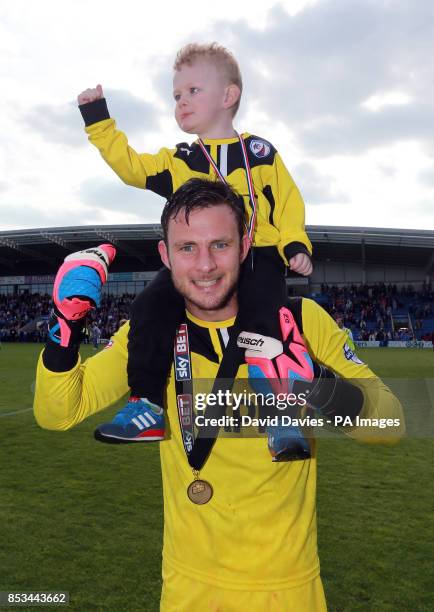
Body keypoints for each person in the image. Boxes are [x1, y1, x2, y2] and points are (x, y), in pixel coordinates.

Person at [34, 179, 404, 611]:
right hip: (187, 587)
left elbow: (391, 423)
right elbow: (59, 412)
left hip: (285, 589)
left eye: (220, 244)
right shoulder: (150, 335)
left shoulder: (300, 322)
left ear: (245, 245)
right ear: (165, 255)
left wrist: (314, 381)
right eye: (187, 247)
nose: (205, 265)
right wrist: (65, 330)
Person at [77, 42, 313, 450]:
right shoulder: (179, 159)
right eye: (176, 96)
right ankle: (147, 403)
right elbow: (131, 167)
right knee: (149, 307)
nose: (181, 103)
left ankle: (279, 415)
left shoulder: (259, 152)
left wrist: (294, 243)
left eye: (192, 91)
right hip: (194, 262)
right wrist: (99, 121)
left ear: (228, 96)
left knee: (266, 323)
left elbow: (288, 200)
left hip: (256, 257)